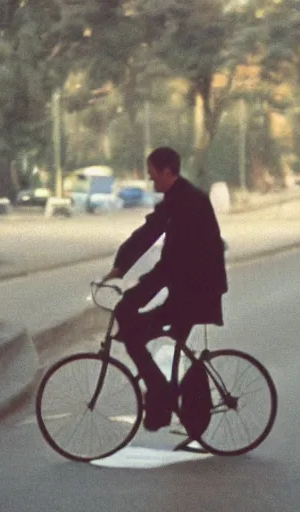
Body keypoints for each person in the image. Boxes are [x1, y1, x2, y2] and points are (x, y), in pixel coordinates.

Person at [102, 147, 228, 431]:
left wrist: (134, 293)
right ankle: (162, 397)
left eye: (153, 175)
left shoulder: (188, 203)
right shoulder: (180, 199)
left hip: (195, 295)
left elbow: (171, 265)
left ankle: (160, 397)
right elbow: (150, 232)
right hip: (191, 291)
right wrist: (120, 268)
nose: (151, 181)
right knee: (134, 327)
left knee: (133, 334)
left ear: (167, 171)